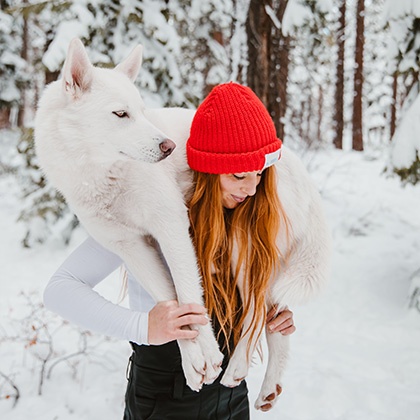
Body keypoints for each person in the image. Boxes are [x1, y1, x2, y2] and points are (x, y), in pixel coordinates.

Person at [44, 83, 299, 419]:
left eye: (258, 176)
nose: (250, 188)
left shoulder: (242, 212)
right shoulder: (147, 209)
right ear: (210, 167)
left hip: (233, 396)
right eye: (238, 175)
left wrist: (270, 312)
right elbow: (61, 289)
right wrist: (144, 326)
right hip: (166, 397)